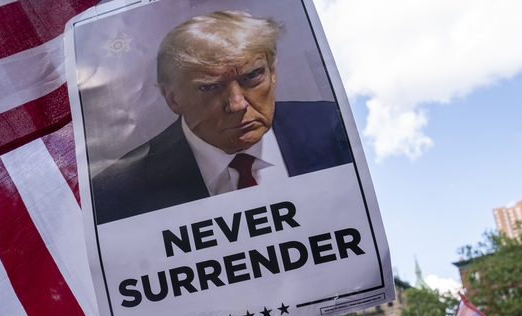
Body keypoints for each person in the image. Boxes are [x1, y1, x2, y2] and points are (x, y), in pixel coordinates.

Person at [91, 10, 353, 224]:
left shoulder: (339, 127)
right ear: (172, 98)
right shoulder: (115, 193)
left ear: (272, 72)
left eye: (252, 76)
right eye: (209, 87)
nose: (237, 104)